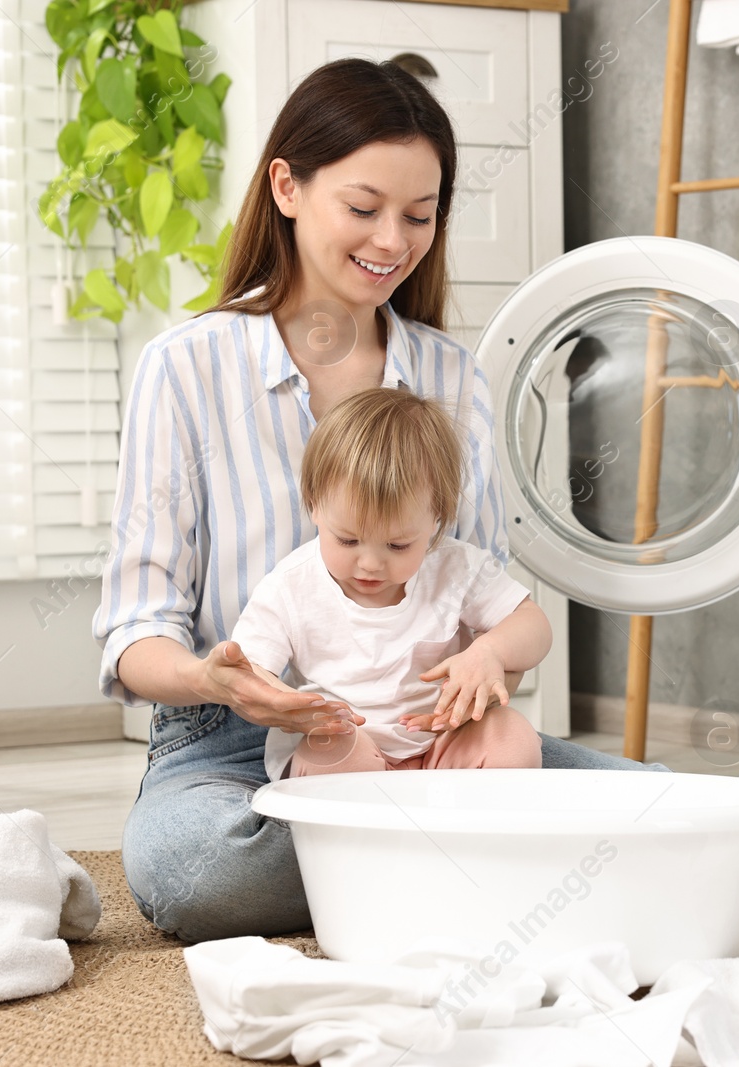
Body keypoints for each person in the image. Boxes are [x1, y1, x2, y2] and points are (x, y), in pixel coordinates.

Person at [94, 56, 668, 944]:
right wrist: (220, 680)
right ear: (287, 187)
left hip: (433, 743)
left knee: (667, 812)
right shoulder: (187, 368)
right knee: (195, 871)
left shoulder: (451, 377)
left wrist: (485, 685)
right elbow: (137, 632)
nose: (392, 241)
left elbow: (488, 610)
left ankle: (411, 862)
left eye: (419, 215)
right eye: (363, 209)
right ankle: (497, 863)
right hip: (229, 751)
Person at [232, 386, 548, 779]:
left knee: (513, 737)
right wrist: (289, 703)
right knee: (337, 752)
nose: (369, 564)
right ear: (314, 505)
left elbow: (534, 625)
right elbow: (247, 672)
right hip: (344, 742)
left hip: (444, 741)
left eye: (398, 545)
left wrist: (492, 652)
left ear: (436, 520)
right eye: (347, 540)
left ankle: (469, 830)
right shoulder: (290, 586)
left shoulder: (456, 568)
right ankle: (364, 833)